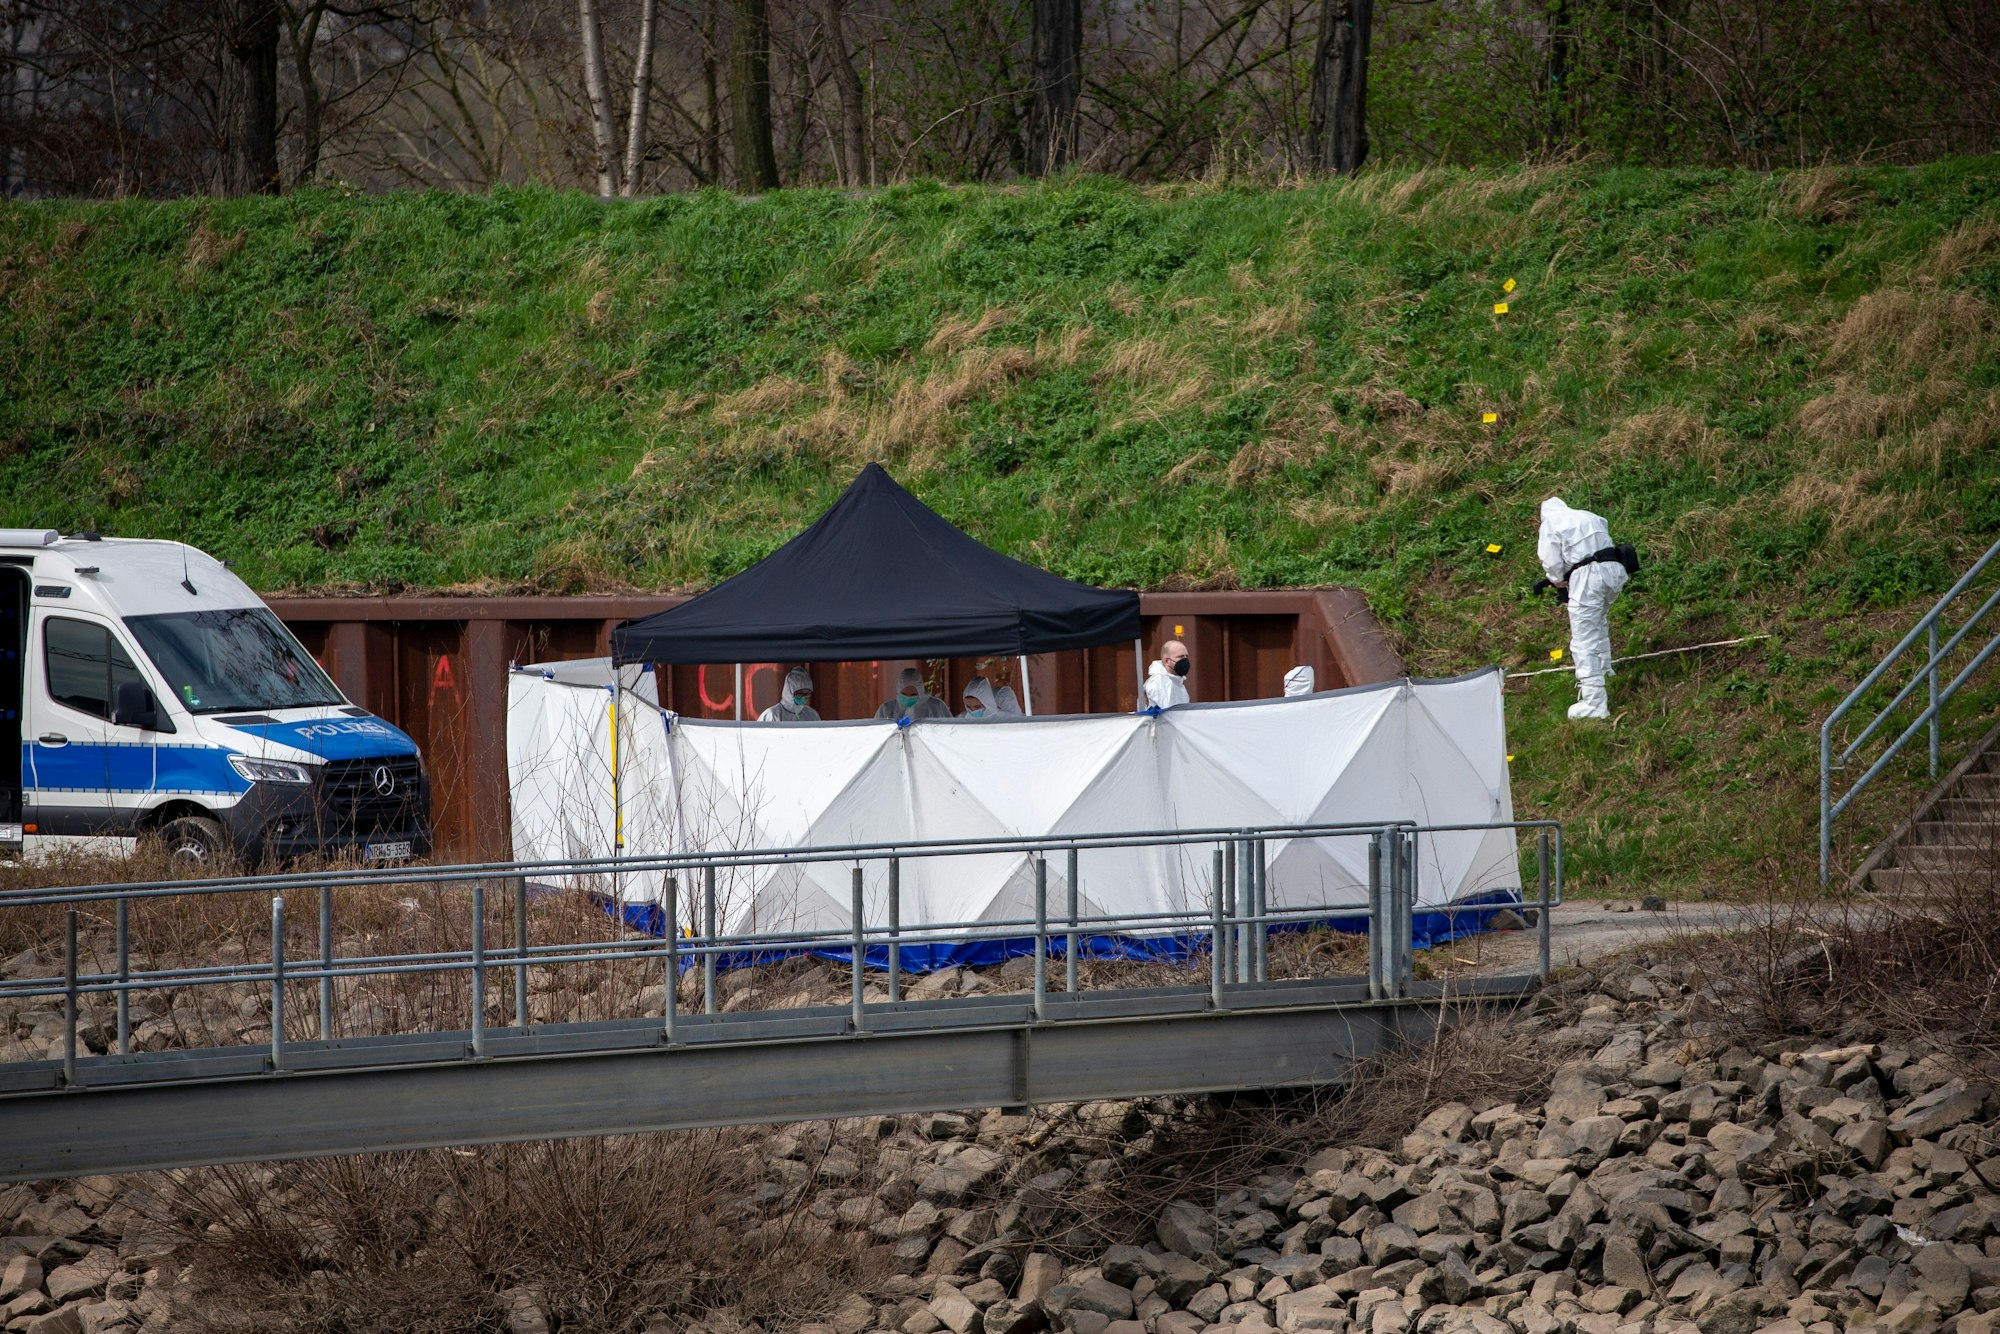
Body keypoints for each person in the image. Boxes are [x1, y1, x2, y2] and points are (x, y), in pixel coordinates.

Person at [1537, 496, 1631, 721]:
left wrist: (1557, 579)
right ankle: (1605, 668)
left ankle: (1594, 703)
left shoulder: (1551, 523)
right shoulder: (1588, 516)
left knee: (1583, 640)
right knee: (1598, 621)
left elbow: (1551, 562)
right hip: (1614, 572)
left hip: (1589, 578)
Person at [875, 666, 952, 722]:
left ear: (921, 692)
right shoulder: (885, 710)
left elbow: (950, 732)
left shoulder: (937, 708)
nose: (908, 698)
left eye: (913, 695)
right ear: (898, 691)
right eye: (904, 694)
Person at [1141, 639, 1191, 711]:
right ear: (1167, 661)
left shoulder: (1178, 682)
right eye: (1181, 657)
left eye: (1186, 656)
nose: (1185, 660)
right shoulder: (1158, 682)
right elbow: (1165, 714)